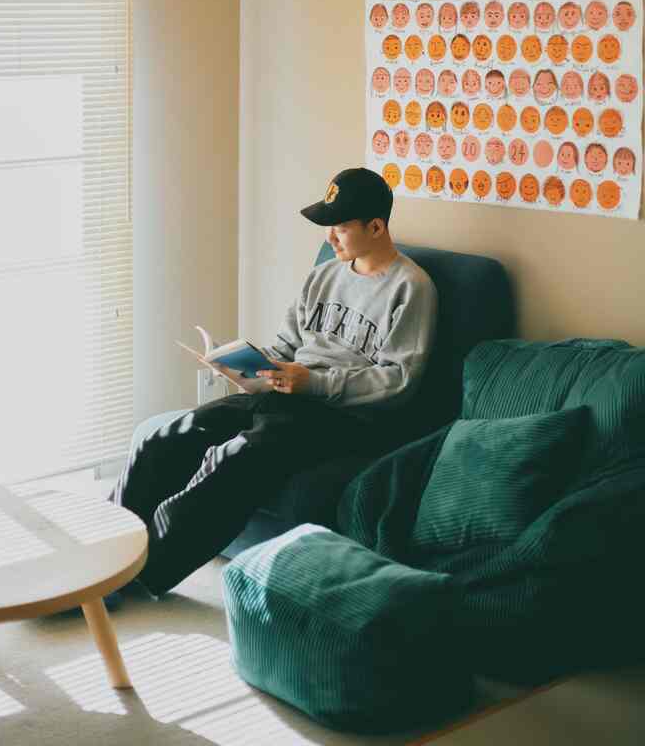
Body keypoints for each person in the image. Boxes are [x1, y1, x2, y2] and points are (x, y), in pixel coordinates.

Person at [109, 167, 438, 596]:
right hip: (288, 394)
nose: (330, 240)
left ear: (376, 227)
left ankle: (140, 576)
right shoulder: (324, 275)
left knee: (235, 459)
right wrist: (249, 368)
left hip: (347, 415)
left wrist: (313, 384)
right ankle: (102, 556)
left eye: (339, 228)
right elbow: (287, 345)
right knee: (170, 436)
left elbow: (399, 380)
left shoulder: (411, 287)